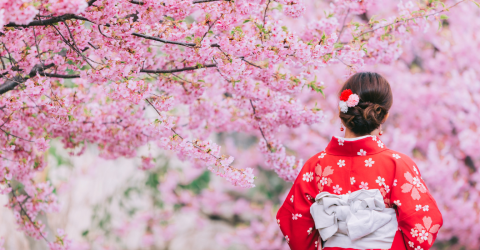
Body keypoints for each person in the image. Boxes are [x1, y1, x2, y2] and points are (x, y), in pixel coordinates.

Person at [276, 72, 443, 250]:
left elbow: (293, 223)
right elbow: (423, 225)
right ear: (384, 116)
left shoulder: (315, 166)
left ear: (342, 112)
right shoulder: (398, 165)